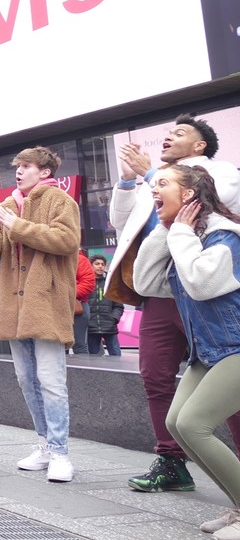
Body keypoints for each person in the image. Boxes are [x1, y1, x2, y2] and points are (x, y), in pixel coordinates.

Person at [105, 114, 240, 493]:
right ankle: (171, 461)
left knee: (217, 398)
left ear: (199, 146)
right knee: (158, 381)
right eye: (167, 132)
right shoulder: (158, 189)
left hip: (210, 295)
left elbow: (214, 201)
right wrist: (128, 180)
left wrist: (153, 177)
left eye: (179, 133)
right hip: (172, 288)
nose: (168, 138)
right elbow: (122, 224)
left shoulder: (219, 173)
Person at [134, 165, 240, 539]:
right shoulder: (185, 237)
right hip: (210, 350)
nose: (153, 189)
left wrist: (179, 231)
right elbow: (145, 282)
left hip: (236, 347)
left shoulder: (226, 238)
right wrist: (169, 229)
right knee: (178, 424)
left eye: (163, 184)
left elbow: (200, 283)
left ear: (191, 195)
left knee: (195, 423)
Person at [0, 146, 82, 483]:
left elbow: (66, 240)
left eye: (26, 166)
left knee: (52, 381)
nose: (19, 172)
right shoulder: (8, 206)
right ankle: (44, 445)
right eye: (17, 167)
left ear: (44, 170)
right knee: (27, 380)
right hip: (15, 308)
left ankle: (61, 452)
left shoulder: (60, 201)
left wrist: (16, 225)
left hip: (47, 304)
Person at [87, 256, 123, 356]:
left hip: (110, 327)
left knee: (116, 356)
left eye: (102, 264)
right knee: (94, 360)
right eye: (97, 264)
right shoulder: (86, 283)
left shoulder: (110, 283)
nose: (100, 267)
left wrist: (114, 319)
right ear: (91, 266)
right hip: (91, 327)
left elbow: (119, 305)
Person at [72, 250, 96, 354]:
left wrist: (65, 295)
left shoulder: (81, 260)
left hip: (78, 307)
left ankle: (82, 370)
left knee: (79, 344)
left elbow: (88, 284)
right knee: (58, 346)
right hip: (57, 306)